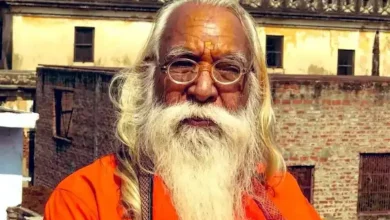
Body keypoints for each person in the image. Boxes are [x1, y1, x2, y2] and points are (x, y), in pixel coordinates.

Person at [44, 0, 321, 219]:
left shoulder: (277, 191)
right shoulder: (85, 200)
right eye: (182, 64)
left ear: (251, 87)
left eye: (228, 69)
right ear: (148, 77)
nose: (202, 90)